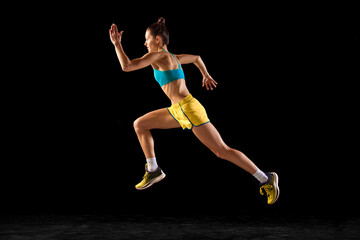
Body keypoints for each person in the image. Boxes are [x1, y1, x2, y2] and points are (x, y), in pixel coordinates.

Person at [109, 17, 279, 204]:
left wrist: (117, 44)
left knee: (222, 151)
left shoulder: (158, 56)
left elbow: (127, 66)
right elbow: (197, 58)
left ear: (158, 39)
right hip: (178, 109)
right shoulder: (175, 57)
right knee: (140, 124)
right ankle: (153, 169)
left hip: (188, 108)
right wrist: (205, 74)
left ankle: (266, 178)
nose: (144, 43)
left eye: (147, 39)